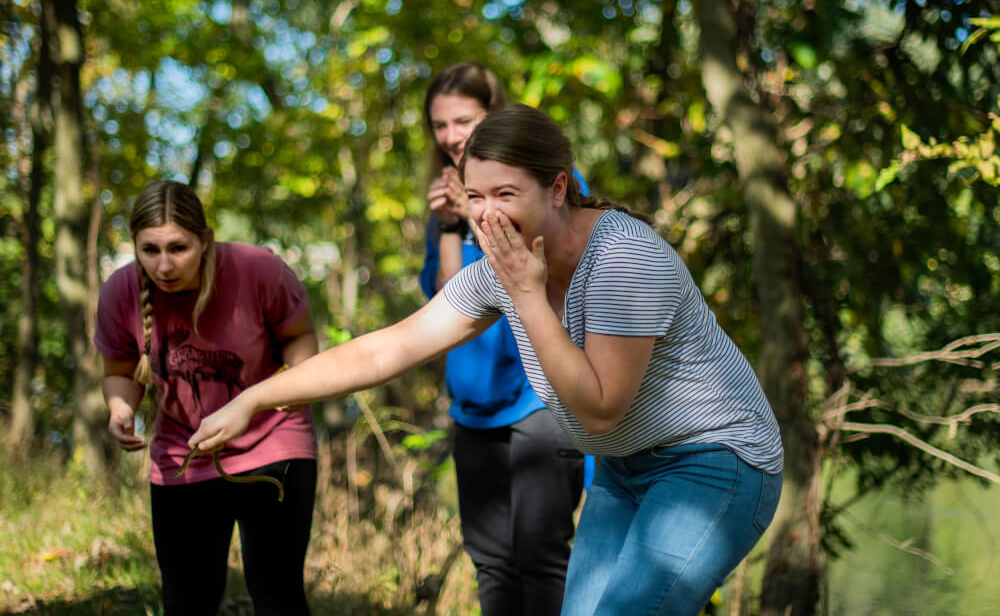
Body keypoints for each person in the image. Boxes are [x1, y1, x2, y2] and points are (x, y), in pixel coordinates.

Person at [189, 104, 784, 616]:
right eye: (475, 196)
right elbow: (389, 346)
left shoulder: (623, 259)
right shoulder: (501, 269)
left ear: (557, 188)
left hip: (716, 462)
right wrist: (257, 396)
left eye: (506, 194)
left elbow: (600, 410)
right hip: (624, 469)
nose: (487, 215)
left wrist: (528, 296)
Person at [95, 180, 318, 616]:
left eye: (178, 248)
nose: (163, 265)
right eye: (150, 250)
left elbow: (300, 337)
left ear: (205, 240)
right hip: (183, 453)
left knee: (276, 590)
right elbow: (119, 372)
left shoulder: (258, 270)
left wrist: (297, 379)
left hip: (272, 440)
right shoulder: (120, 292)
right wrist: (120, 408)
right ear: (135, 247)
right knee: (187, 597)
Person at [420, 62, 586, 615]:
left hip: (539, 392)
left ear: (493, 115)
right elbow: (451, 299)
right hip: (473, 403)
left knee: (541, 553)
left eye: (463, 119)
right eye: (439, 125)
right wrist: (449, 226)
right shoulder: (447, 203)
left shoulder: (542, 184)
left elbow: (553, 276)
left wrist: (474, 213)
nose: (451, 136)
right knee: (489, 559)